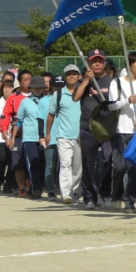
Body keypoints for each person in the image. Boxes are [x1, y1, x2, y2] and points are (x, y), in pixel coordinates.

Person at [108, 52, 136, 212]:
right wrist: (127, 101)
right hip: (119, 130)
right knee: (119, 167)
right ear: (130, 64)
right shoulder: (116, 83)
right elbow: (111, 105)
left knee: (134, 168)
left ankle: (129, 201)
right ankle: (116, 195)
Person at [73, 49, 112, 210]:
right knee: (88, 164)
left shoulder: (111, 82)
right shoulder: (83, 81)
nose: (97, 63)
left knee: (108, 160)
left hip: (106, 128)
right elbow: (75, 98)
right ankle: (89, 196)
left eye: (100, 61)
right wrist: (85, 80)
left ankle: (105, 193)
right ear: (88, 63)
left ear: (104, 63)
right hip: (87, 128)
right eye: (93, 61)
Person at [47, 65, 82, 204]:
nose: (72, 76)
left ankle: (75, 192)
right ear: (65, 77)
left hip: (80, 136)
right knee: (65, 164)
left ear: (79, 76)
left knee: (78, 168)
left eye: (74, 74)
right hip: (63, 136)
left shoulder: (83, 92)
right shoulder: (59, 94)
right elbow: (51, 115)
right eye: (69, 74)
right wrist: (47, 133)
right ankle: (66, 193)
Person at [13, 76, 49, 199]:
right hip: (29, 137)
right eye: (35, 87)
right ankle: (36, 188)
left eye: (40, 87)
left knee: (43, 164)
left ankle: (44, 186)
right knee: (32, 163)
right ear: (31, 88)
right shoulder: (25, 102)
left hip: (45, 137)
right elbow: (19, 120)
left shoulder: (49, 101)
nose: (38, 89)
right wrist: (13, 136)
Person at [0, 70, 33, 196]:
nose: (28, 81)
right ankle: (21, 187)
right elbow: (5, 116)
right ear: (19, 82)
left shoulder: (37, 96)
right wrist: (5, 132)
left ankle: (32, 184)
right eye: (25, 79)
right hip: (17, 136)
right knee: (17, 163)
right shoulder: (13, 98)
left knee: (32, 162)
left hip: (33, 136)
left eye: (30, 78)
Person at [39, 75, 64, 199]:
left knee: (64, 165)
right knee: (50, 165)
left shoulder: (69, 99)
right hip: (50, 137)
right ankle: (50, 189)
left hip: (65, 136)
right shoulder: (44, 101)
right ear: (51, 87)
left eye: (61, 86)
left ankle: (62, 188)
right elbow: (40, 119)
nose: (59, 88)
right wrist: (42, 136)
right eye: (56, 86)